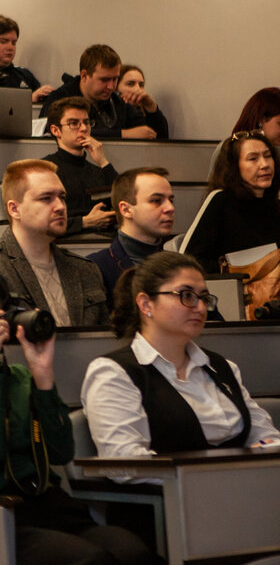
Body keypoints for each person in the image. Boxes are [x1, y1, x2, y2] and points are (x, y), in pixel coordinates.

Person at [0, 265, 157, 565]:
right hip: (1, 519)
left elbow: (61, 450)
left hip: (53, 507)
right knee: (90, 560)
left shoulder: (17, 377)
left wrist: (42, 377)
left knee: (134, 553)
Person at [82, 252, 280, 464]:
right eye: (186, 295)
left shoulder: (222, 368)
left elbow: (268, 439)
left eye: (204, 297)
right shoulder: (114, 373)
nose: (201, 307)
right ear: (146, 304)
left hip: (242, 487)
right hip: (172, 493)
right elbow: (126, 462)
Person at [0, 159, 108, 326]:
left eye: (62, 197)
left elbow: (103, 341)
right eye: (46, 198)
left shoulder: (85, 269)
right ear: (14, 209)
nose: (60, 207)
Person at [183, 131, 280, 273]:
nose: (264, 164)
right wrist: (232, 272)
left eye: (268, 156)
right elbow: (189, 259)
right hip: (231, 289)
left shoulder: (275, 205)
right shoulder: (221, 200)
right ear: (235, 166)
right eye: (253, 159)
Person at [38, 45, 167, 139]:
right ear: (84, 76)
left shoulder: (118, 102)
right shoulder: (60, 99)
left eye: (115, 79)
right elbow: (53, 134)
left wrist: (151, 108)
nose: (111, 86)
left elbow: (158, 137)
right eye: (104, 80)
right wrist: (122, 134)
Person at [88, 168, 177, 302]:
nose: (170, 208)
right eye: (156, 200)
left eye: (171, 200)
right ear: (126, 209)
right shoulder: (94, 268)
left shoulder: (181, 266)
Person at [44, 97, 118, 236]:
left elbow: (126, 202)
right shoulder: (45, 171)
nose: (83, 128)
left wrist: (103, 162)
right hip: (66, 245)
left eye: (86, 122)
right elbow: (41, 223)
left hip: (105, 242)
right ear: (56, 130)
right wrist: (84, 222)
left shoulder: (99, 170)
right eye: (74, 123)